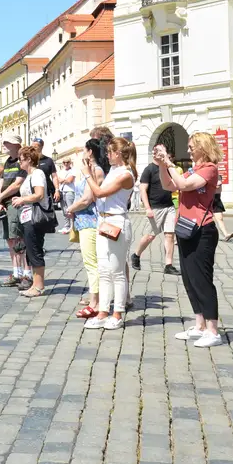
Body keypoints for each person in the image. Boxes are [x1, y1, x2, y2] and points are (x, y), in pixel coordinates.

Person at [157, 132, 224, 348]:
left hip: (202, 231)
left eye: (192, 146)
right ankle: (199, 325)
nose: (188, 150)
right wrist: (161, 165)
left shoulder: (209, 170)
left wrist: (169, 162)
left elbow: (185, 186)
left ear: (203, 147)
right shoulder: (192, 169)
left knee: (202, 279)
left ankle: (213, 330)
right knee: (189, 278)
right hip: (186, 228)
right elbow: (170, 186)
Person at [82, 137, 136, 329]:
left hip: (117, 221)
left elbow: (100, 192)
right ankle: (103, 311)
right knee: (104, 270)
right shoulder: (113, 170)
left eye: (111, 152)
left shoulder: (126, 174)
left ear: (119, 153)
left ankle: (118, 313)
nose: (107, 155)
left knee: (117, 271)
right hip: (104, 220)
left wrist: (87, 175)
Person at [11, 145, 52, 297]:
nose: (19, 163)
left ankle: (39, 286)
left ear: (29, 160)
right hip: (28, 216)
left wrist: (22, 199)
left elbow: (39, 194)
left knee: (35, 250)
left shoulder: (37, 173)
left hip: (35, 218)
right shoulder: (29, 175)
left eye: (21, 160)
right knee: (30, 250)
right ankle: (35, 284)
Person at [66, 142, 101, 318]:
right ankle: (95, 297)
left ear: (90, 151)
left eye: (84, 150)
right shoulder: (91, 169)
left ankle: (95, 302)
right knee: (92, 262)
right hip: (84, 221)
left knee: (91, 263)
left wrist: (71, 208)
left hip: (90, 222)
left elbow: (87, 199)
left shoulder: (95, 170)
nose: (82, 153)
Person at [130, 154, 180, 275]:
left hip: (169, 206)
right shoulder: (149, 169)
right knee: (150, 236)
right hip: (155, 207)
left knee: (170, 235)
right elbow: (142, 189)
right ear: (154, 154)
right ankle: (136, 255)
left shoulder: (168, 168)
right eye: (158, 152)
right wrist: (147, 208)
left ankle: (169, 265)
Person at [0, 135, 28, 288]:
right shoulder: (8, 161)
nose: (3, 145)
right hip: (5, 202)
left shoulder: (23, 160)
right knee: (9, 239)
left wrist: (0, 197)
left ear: (16, 144)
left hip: (16, 202)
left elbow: (17, 185)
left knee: (19, 239)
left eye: (6, 143)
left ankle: (27, 274)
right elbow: (2, 180)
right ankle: (16, 272)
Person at [56, 160, 75, 234]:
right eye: (64, 162)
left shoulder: (73, 170)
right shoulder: (61, 171)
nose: (66, 164)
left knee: (70, 209)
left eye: (67, 162)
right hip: (62, 191)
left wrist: (63, 180)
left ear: (70, 162)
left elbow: (69, 181)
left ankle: (72, 226)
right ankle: (66, 226)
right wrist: (65, 180)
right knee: (64, 209)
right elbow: (58, 180)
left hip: (70, 191)